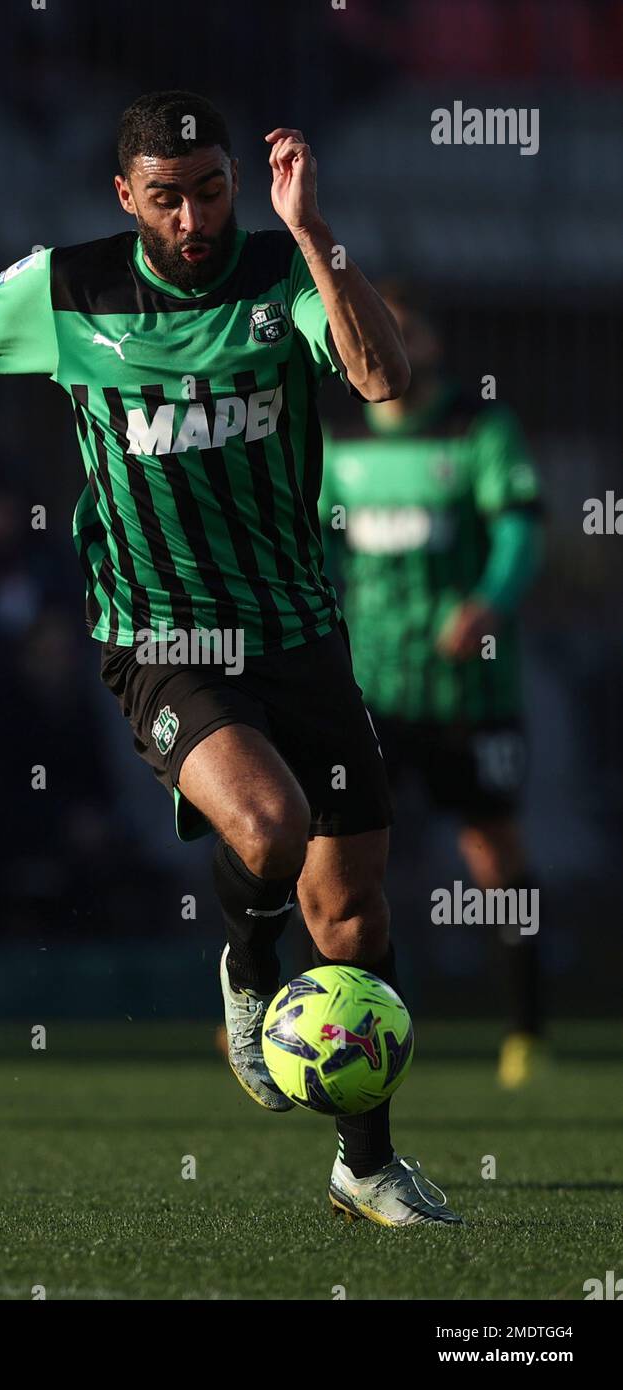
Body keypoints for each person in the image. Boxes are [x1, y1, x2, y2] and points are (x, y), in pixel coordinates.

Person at [0, 89, 460, 1226]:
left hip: (298, 629)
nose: (192, 217)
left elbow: (379, 381)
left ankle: (363, 1163)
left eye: (211, 191)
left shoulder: (283, 276)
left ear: (237, 182)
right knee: (267, 827)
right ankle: (242, 966)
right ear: (125, 198)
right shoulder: (65, 289)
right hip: (161, 635)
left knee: (358, 916)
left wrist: (314, 233)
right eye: (166, 198)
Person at [318, 278, 544, 1088]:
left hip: (467, 696)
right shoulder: (337, 445)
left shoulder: (480, 429)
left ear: (432, 346)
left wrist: (487, 602)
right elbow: (316, 555)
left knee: (493, 855)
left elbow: (521, 530)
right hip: (369, 695)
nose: (383, 344)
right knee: (340, 860)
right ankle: (340, 1027)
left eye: (399, 329)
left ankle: (527, 1028)